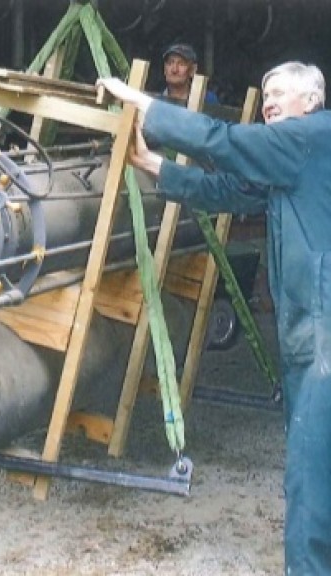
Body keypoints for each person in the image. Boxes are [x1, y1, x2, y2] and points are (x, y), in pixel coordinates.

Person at [97, 61, 331, 575]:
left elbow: (224, 141)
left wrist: (143, 104)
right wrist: (154, 165)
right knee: (316, 466)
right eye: (264, 93)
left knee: (311, 478)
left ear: (311, 101)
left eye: (279, 94)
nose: (268, 102)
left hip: (323, 342)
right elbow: (230, 190)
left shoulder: (314, 135)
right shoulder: (289, 163)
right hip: (303, 337)